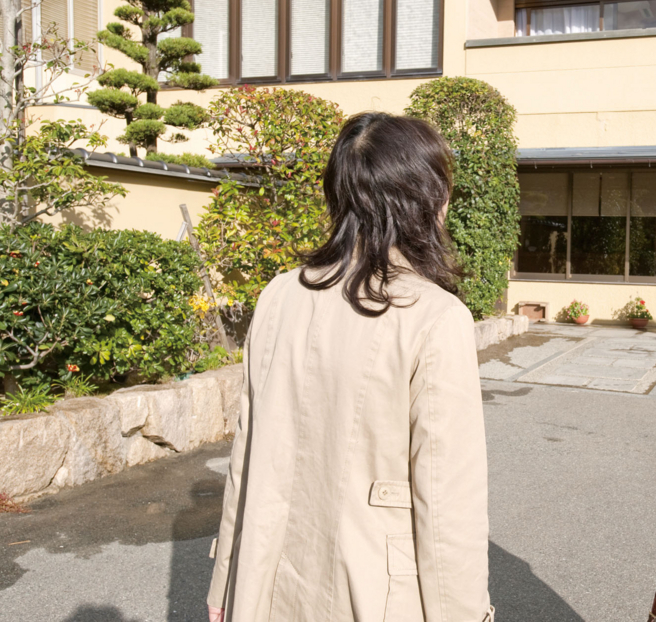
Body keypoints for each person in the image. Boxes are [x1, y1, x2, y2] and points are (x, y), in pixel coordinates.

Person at [207, 112, 494, 622]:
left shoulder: (278, 296)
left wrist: (225, 584)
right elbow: (448, 507)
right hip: (373, 595)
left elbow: (245, 459)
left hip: (267, 584)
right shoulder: (433, 318)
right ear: (428, 200)